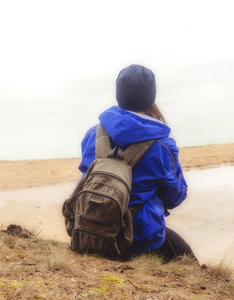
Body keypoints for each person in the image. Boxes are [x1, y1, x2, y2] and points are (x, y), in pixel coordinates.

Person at [78, 64, 196, 262]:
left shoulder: (93, 135)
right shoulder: (162, 145)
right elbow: (175, 197)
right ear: (150, 97)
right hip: (139, 239)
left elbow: (85, 177)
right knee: (186, 255)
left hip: (89, 228)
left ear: (119, 94)